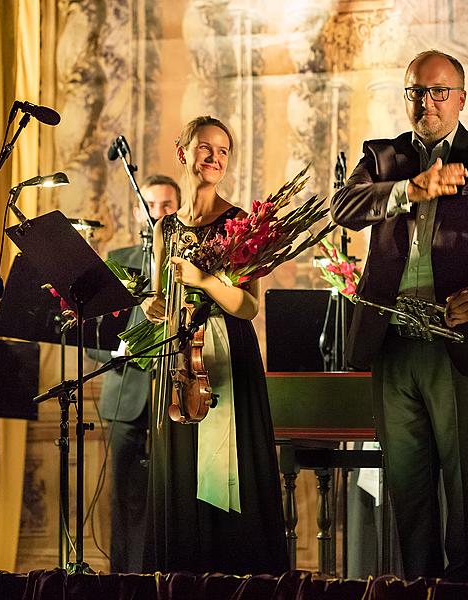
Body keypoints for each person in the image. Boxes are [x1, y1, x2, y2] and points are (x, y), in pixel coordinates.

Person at [331, 49, 468, 583]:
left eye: (439, 91)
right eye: (416, 92)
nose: (427, 102)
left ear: (461, 98)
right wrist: (408, 190)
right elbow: (343, 209)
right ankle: (414, 589)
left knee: (467, 488)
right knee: (407, 486)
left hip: (461, 341)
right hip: (394, 341)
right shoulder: (382, 157)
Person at [140, 116, 287, 575]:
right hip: (177, 361)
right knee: (180, 468)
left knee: (228, 471)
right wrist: (154, 305)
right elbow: (157, 294)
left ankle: (233, 576)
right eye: (205, 148)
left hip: (226, 356)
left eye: (223, 151)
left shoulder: (240, 223)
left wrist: (204, 280)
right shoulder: (165, 228)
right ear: (183, 153)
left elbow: (247, 305)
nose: (215, 158)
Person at [90, 175, 180, 573]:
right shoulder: (118, 258)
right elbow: (90, 329)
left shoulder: (188, 264)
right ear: (136, 210)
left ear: (178, 209)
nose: (158, 212)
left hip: (175, 398)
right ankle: (121, 580)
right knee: (123, 496)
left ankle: (166, 579)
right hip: (125, 397)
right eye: (152, 204)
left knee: (170, 499)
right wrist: (117, 348)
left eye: (167, 205)